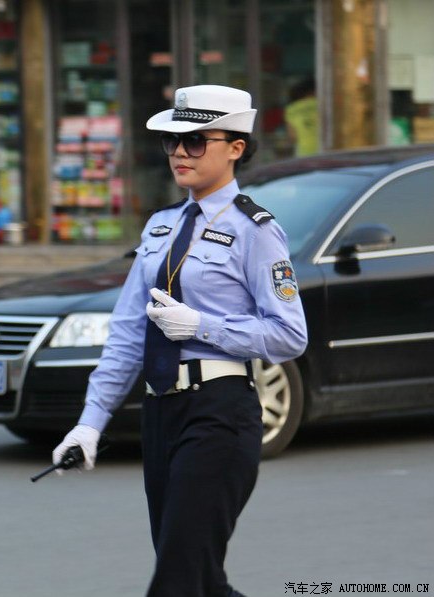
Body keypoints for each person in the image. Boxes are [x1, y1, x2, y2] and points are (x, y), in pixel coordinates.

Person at [53, 84, 308, 597]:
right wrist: (89, 423)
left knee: (176, 582)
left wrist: (202, 327)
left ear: (235, 147)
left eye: (195, 141)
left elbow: (289, 334)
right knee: (200, 581)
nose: (179, 154)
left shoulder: (256, 232)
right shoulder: (161, 226)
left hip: (220, 414)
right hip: (160, 414)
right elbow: (128, 330)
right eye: (172, 142)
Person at [284, 77, 319, 157]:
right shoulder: (326, 105)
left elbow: (292, 136)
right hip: (328, 152)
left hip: (304, 154)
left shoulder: (292, 109)